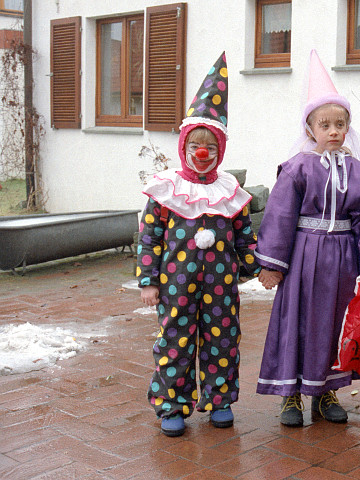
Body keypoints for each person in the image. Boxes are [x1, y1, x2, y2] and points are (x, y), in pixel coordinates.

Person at [255, 50, 360, 427]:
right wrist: (272, 264)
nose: (333, 131)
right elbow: (280, 215)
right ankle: (291, 396)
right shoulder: (297, 168)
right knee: (297, 320)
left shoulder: (359, 173)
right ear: (310, 128)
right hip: (302, 258)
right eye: (324, 124)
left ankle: (326, 391)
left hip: (343, 261)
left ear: (348, 127)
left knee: (334, 322)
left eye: (340, 124)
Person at [137, 52, 261, 437]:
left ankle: (219, 400)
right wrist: (148, 280)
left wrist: (261, 268)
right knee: (174, 341)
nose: (202, 152)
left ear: (220, 149)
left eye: (210, 145)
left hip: (221, 285)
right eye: (196, 145)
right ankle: (172, 404)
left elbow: (245, 236)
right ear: (184, 146)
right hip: (175, 285)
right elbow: (149, 236)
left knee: (223, 339)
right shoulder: (166, 190)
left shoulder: (231, 192)